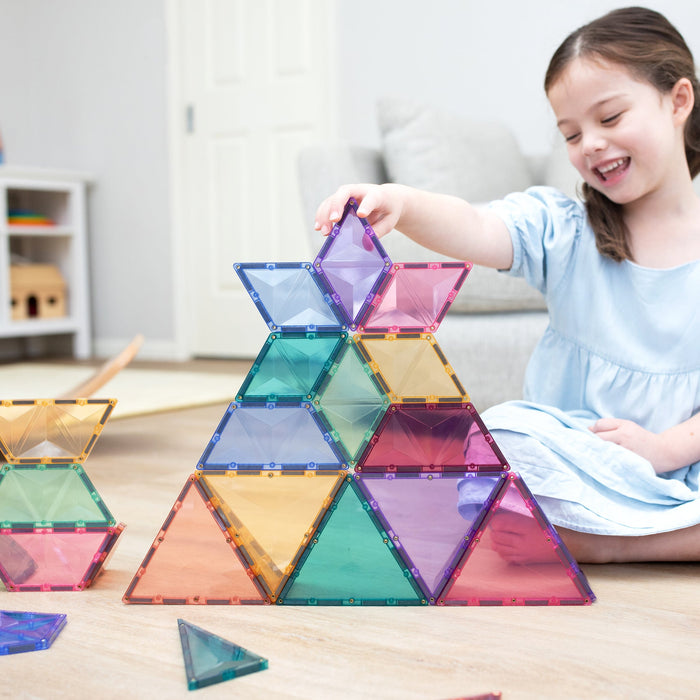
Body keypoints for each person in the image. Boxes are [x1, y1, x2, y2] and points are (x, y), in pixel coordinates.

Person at [314, 6, 700, 564]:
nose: (590, 144)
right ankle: (631, 535)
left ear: (679, 101)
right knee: (502, 433)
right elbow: (476, 225)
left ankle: (611, 545)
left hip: (687, 464)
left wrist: (664, 450)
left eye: (610, 117)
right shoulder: (564, 230)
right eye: (571, 134)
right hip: (585, 463)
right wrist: (403, 201)